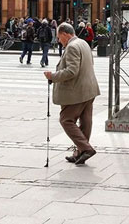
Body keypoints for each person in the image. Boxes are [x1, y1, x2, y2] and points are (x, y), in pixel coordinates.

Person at [44, 22, 100, 166]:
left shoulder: (72, 47)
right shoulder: (83, 43)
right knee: (85, 121)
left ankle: (86, 149)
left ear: (65, 34)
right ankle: (80, 152)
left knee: (66, 120)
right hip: (89, 89)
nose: (58, 40)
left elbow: (71, 71)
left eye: (58, 37)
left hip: (77, 91)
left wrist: (53, 76)